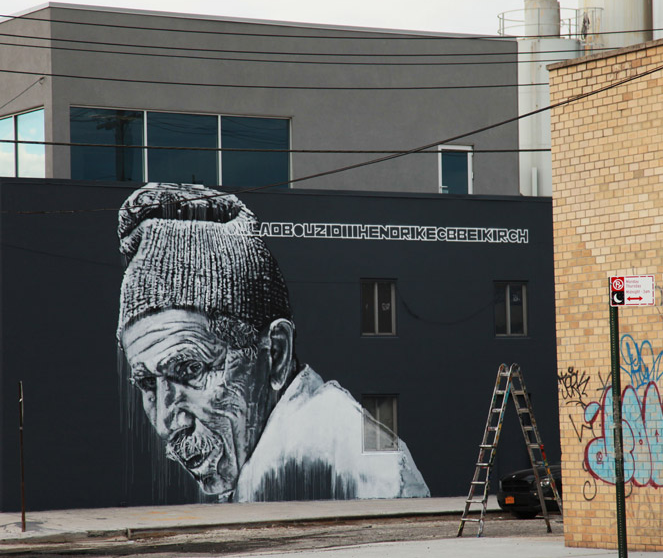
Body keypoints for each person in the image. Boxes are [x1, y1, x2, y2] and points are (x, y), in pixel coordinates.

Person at [117, 183, 429, 502]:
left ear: (276, 354)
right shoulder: (275, 469)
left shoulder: (357, 473)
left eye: (190, 369)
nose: (167, 423)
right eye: (147, 383)